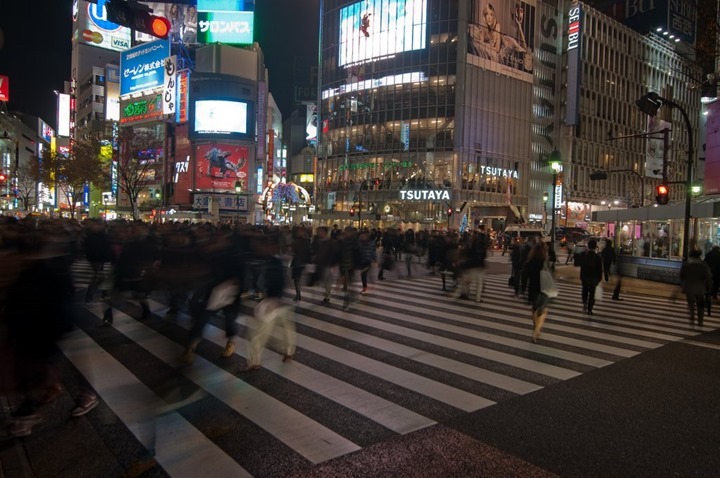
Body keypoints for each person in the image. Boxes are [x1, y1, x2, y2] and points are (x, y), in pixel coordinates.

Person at [244, 234, 296, 371]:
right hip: (271, 300)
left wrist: (274, 299)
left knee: (260, 332)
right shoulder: (265, 261)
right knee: (285, 327)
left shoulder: (272, 262)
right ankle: (288, 352)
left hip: (272, 301)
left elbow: (278, 281)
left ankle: (255, 361)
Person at [525, 242, 552, 342]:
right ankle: (536, 330)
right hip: (543, 288)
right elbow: (551, 275)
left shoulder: (530, 262)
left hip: (533, 288)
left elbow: (525, 275)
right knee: (543, 309)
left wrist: (522, 289)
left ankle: (535, 327)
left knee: (535, 308)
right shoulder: (544, 262)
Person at [680, 249, 712, 326]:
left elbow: (682, 275)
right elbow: (708, 277)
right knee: (700, 305)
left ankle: (692, 315)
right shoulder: (703, 265)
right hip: (700, 287)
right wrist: (709, 288)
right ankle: (700, 320)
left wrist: (683, 284)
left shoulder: (686, 264)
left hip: (689, 287)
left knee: (690, 302)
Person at [579, 238, 603, 315]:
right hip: (594, 278)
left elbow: (581, 266)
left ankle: (585, 302)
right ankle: (590, 309)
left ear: (588, 246)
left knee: (585, 290)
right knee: (592, 293)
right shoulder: (597, 257)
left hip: (585, 277)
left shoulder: (584, 255)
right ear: (595, 247)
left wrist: (581, 276)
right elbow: (599, 269)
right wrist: (599, 278)